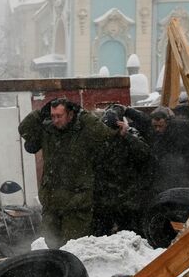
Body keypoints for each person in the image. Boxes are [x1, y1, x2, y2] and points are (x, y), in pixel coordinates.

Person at [18, 97, 117, 248]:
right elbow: (24, 129)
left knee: (74, 249)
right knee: (51, 248)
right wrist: (40, 113)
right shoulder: (48, 131)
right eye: (52, 116)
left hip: (76, 204)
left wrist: (83, 113)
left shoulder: (84, 130)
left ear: (70, 115)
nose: (55, 120)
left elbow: (104, 134)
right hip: (52, 203)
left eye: (59, 116)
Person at [92, 105, 153, 237]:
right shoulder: (99, 139)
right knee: (101, 236)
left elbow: (145, 155)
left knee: (132, 235)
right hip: (104, 200)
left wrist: (126, 136)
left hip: (128, 199)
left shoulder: (130, 136)